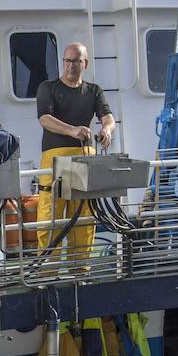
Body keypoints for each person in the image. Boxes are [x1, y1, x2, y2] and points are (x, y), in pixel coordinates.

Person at [35, 43, 117, 261]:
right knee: (50, 216)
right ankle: (46, 272)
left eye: (75, 61)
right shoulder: (48, 88)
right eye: (67, 61)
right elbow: (45, 119)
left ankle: (80, 270)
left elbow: (108, 118)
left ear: (85, 64)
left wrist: (107, 130)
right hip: (55, 158)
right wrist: (73, 130)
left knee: (83, 217)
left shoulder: (93, 91)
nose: (70, 66)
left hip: (84, 158)